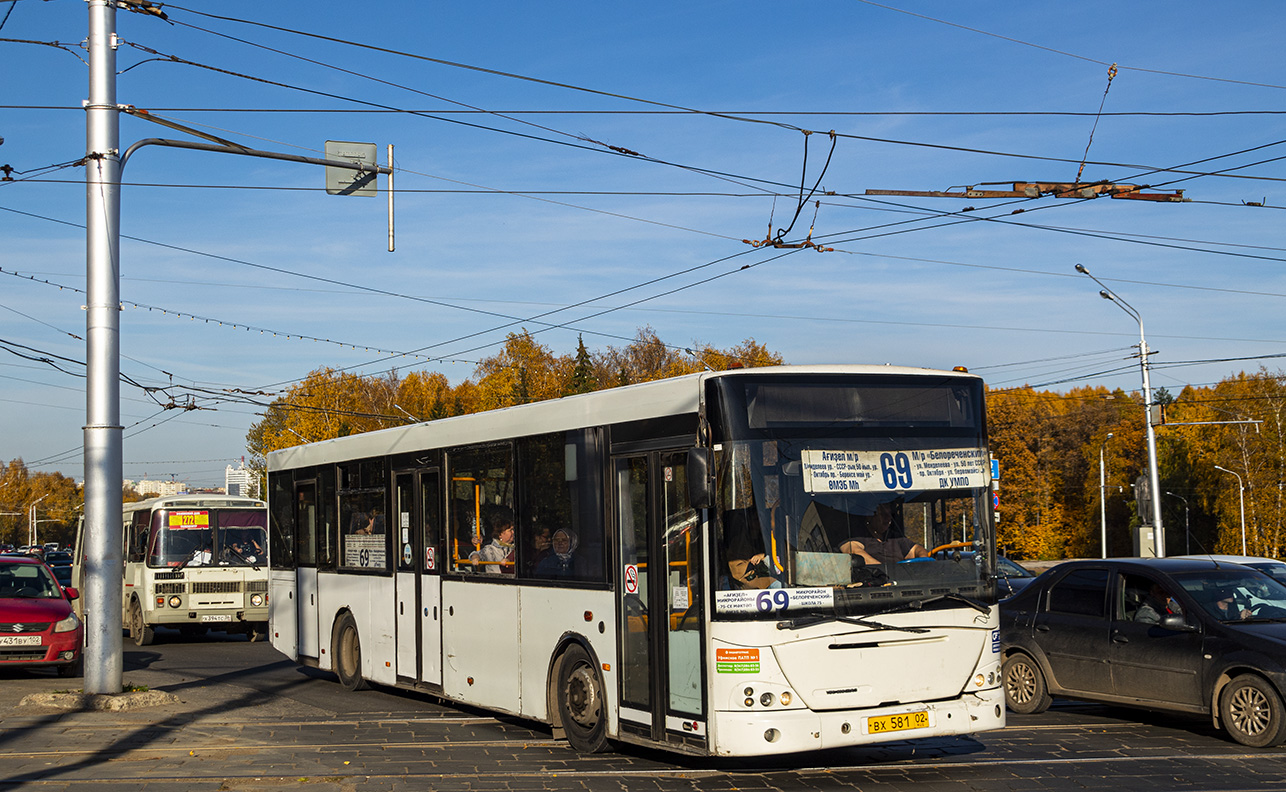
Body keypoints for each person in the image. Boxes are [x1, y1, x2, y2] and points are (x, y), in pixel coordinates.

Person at [840, 502, 928, 565]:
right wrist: (882, 571)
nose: (888, 518)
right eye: (882, 514)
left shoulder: (895, 538)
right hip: (875, 584)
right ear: (869, 516)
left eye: (889, 514)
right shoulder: (858, 536)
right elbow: (852, 550)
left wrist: (923, 560)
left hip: (902, 582)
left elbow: (916, 549)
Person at [471, 507, 515, 574]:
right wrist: (475, 558)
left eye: (513, 530)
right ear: (500, 534)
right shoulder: (490, 549)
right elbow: (476, 554)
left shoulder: (516, 548)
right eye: (510, 530)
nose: (513, 532)